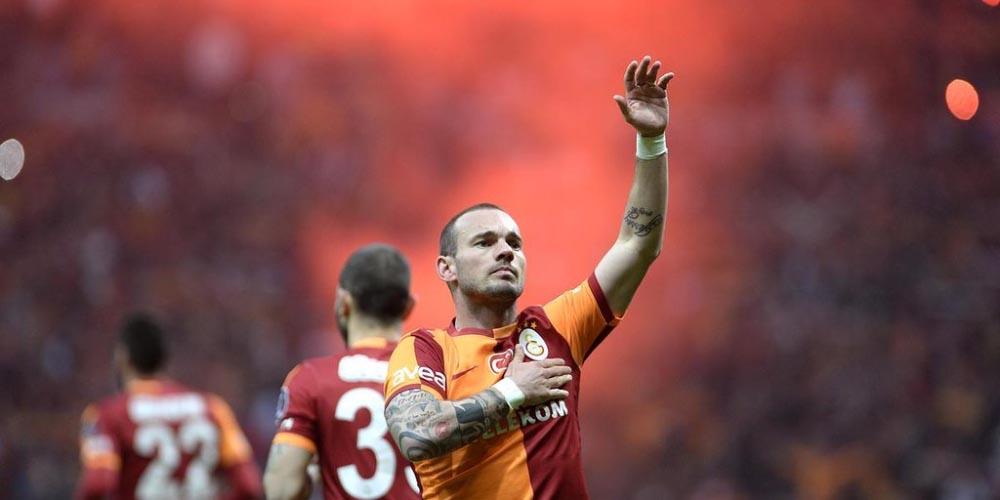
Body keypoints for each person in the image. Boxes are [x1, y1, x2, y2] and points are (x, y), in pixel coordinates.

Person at [383, 55, 673, 499]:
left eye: (514, 243)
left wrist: (651, 141)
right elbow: (417, 434)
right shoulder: (426, 350)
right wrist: (512, 392)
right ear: (447, 268)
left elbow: (638, 244)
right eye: (484, 242)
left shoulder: (556, 327)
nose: (505, 251)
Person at [264, 244, 422, 500]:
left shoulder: (311, 379)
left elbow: (281, 491)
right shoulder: (435, 374)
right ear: (409, 307)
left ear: (344, 303)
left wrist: (311, 475)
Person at [75, 313, 263, 500]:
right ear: (164, 358)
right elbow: (249, 487)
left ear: (122, 357)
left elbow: (98, 484)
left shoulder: (106, 414)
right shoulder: (213, 408)